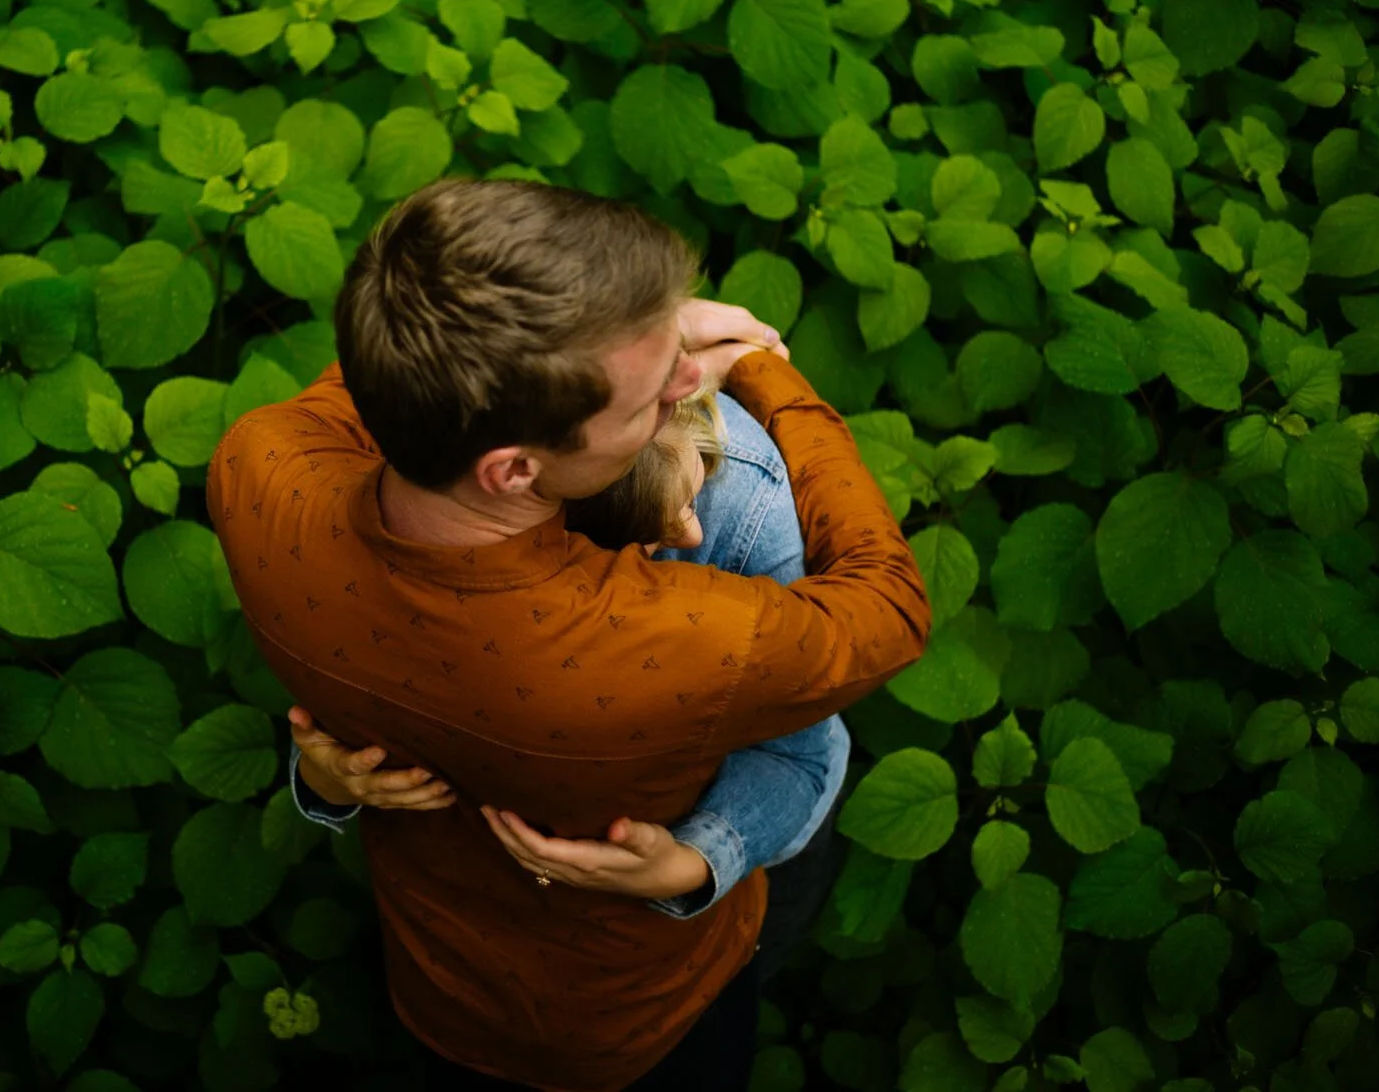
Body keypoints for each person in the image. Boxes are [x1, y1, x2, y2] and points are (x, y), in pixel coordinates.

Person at [207, 180, 929, 1092]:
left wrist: (635, 331)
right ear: (513, 469)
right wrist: (767, 374)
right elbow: (890, 610)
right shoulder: (658, 636)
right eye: (650, 400)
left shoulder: (257, 467)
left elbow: (402, 357)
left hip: (433, 980)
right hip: (640, 1027)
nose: (686, 383)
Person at [286, 388, 851, 992]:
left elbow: (798, 747)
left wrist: (694, 861)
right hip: (466, 911)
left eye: (690, 502)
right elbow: (370, 651)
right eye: (654, 525)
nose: (690, 535)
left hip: (715, 883)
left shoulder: (737, 493)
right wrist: (329, 774)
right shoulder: (434, 496)